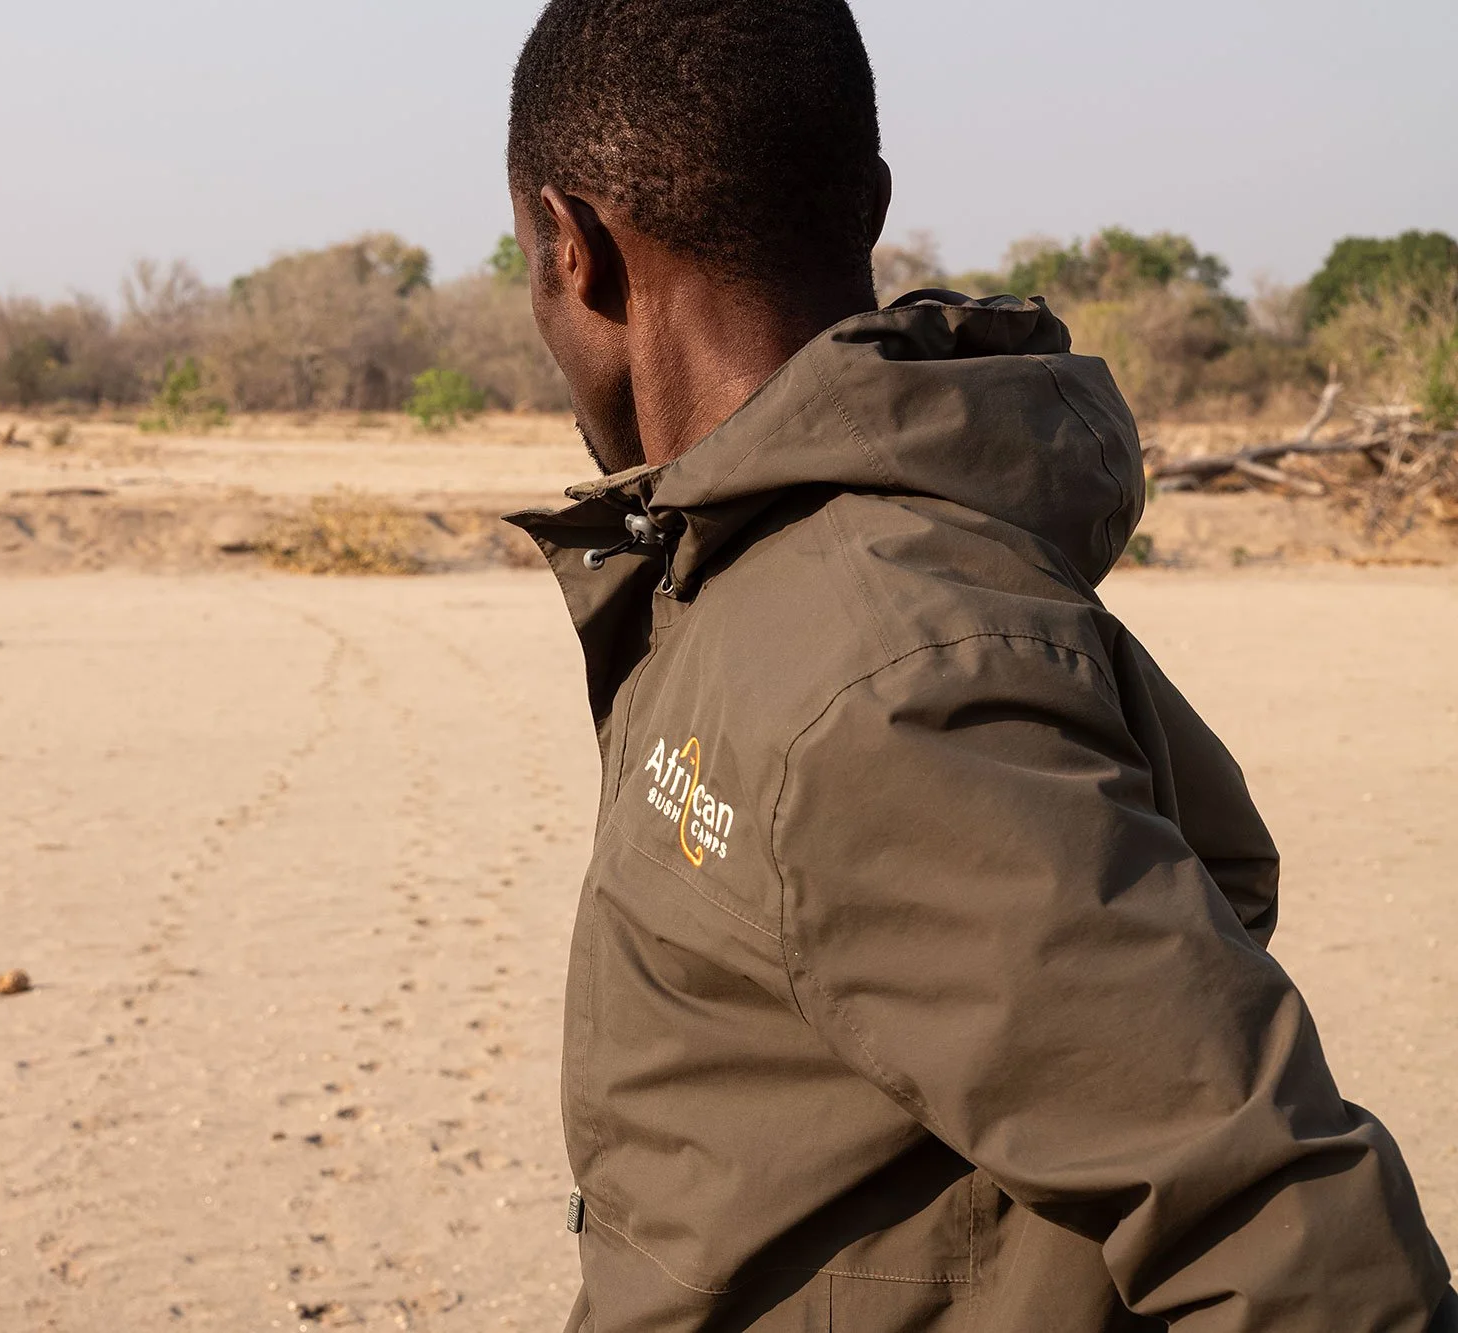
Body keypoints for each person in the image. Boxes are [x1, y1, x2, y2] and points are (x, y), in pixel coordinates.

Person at [500, 2, 1457, 1329]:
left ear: (574, 251)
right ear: (870, 203)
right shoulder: (758, 580)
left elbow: (1294, 1244)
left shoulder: (879, 670)